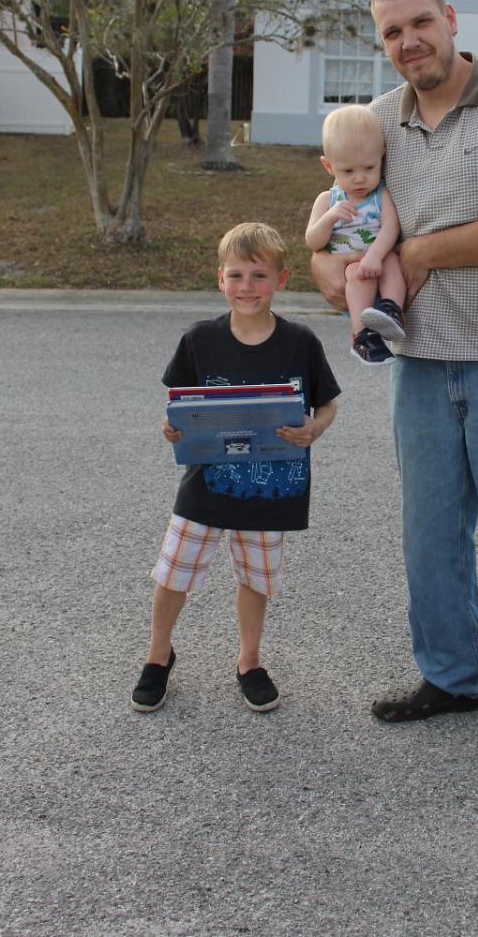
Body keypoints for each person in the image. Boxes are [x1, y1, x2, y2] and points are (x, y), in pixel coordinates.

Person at [311, 0, 478, 776]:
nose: (408, 41)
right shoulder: (376, 120)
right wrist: (328, 267)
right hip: (416, 363)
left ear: (450, 20)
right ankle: (452, 679)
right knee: (429, 538)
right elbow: (335, 230)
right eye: (391, 32)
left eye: (420, 22)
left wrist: (412, 253)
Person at [131, 221, 340, 714]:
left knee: (256, 577)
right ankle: (158, 655)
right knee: (175, 571)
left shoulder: (300, 343)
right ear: (220, 279)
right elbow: (177, 404)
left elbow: (328, 404)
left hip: (270, 489)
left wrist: (316, 428)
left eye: (259, 276)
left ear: (282, 279)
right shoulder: (200, 340)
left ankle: (249, 660)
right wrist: (170, 428)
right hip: (205, 483)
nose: (248, 287)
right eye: (237, 275)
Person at [305, 103, 406, 367]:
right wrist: (330, 217)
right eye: (348, 171)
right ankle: (363, 335)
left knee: (391, 261)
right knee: (355, 273)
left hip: (379, 256)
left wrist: (375, 256)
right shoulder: (328, 200)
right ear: (328, 166)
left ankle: (392, 310)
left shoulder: (379, 194)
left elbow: (391, 228)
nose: (360, 179)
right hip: (352, 270)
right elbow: (313, 242)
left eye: (369, 168)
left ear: (381, 157)